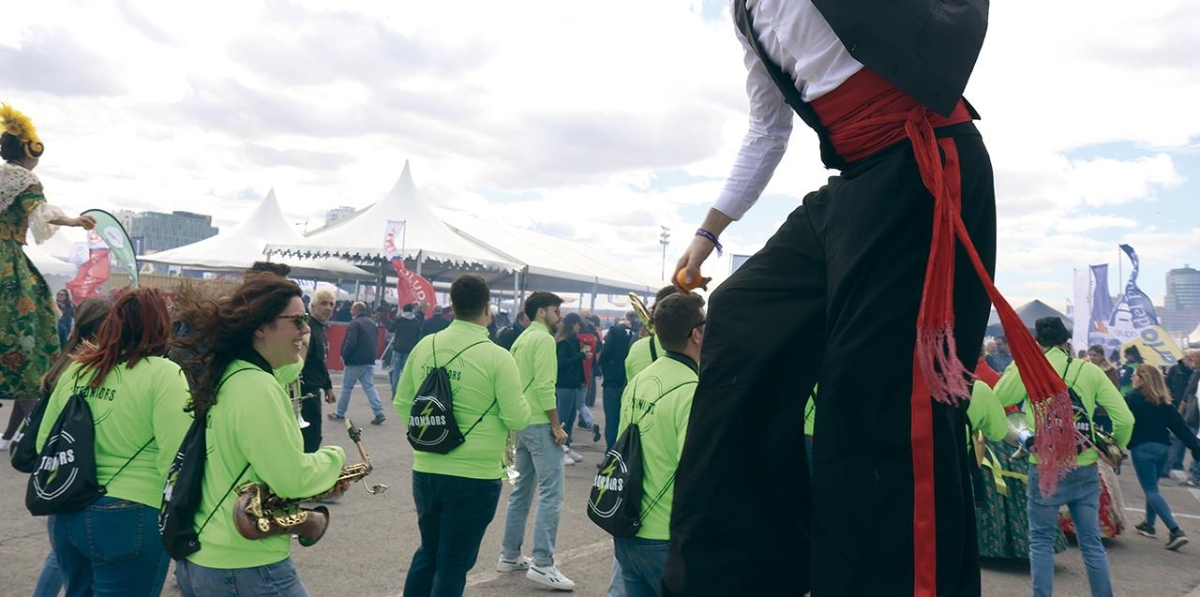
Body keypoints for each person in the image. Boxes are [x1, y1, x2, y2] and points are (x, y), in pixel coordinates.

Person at [661, 2, 1048, 594]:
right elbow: (769, 128)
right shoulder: (747, 15)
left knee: (881, 409)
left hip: (922, 164)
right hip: (856, 184)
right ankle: (746, 572)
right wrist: (708, 234)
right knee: (740, 317)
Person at [172, 275, 347, 597]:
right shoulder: (258, 387)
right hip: (245, 566)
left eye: (306, 320)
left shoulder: (232, 374)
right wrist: (334, 458)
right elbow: (291, 480)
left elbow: (289, 366)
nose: (306, 330)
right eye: (297, 321)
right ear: (261, 327)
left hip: (208, 556)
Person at [34, 288, 192, 596]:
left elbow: (45, 441)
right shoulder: (164, 374)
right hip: (130, 512)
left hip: (67, 510)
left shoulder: (79, 368)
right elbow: (176, 455)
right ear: (162, 326)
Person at [395, 275, 531, 597]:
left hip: (426, 468)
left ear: (452, 307)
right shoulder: (498, 356)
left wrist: (432, 436)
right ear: (488, 308)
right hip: (476, 474)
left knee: (428, 551)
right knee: (454, 564)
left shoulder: (425, 345)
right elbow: (517, 417)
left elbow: (403, 404)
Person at [994, 316, 1134, 597]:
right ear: (1065, 339)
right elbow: (1125, 418)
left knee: (1042, 540)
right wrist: (1114, 446)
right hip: (1084, 466)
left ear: (1038, 342)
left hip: (1044, 467)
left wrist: (1018, 364)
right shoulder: (1089, 371)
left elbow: (998, 396)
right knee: (1091, 542)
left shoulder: (1029, 367)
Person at [0, 103, 96, 451]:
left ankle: (15, 431)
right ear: (30, 151)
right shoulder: (23, 178)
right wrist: (73, 221)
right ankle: (39, 430)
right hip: (6, 260)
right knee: (31, 327)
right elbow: (39, 213)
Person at [608, 293, 705, 597]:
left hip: (628, 528)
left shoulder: (640, 379)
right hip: (665, 537)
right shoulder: (692, 391)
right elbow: (696, 472)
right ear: (697, 334)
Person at [29, 298, 111, 597]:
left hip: (58, 470)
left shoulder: (66, 361)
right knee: (61, 557)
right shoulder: (84, 367)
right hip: (73, 468)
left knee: (61, 554)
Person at [498, 291, 576, 591]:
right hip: (540, 423)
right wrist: (556, 425)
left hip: (520, 421)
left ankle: (510, 554)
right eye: (556, 311)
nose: (560, 317)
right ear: (542, 312)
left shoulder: (522, 338)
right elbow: (545, 386)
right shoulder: (543, 339)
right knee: (551, 493)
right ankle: (543, 563)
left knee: (522, 491)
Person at [1126, 364, 1200, 550]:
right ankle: (1149, 524)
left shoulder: (1132, 398)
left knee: (1150, 489)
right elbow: (1180, 428)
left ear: (1143, 379)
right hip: (1163, 449)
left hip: (1142, 448)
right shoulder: (1164, 402)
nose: (1132, 378)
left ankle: (1175, 531)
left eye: (1135, 375)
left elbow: (1123, 421)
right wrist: (1195, 448)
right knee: (1153, 488)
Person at [331, 301, 386, 425]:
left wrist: (344, 355)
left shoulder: (354, 323)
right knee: (370, 387)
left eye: (352, 309)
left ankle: (340, 413)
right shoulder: (372, 323)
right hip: (369, 361)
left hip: (354, 361)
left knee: (346, 387)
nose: (350, 311)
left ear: (356, 311)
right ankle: (379, 412)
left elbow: (351, 342)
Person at [299, 289, 337, 453]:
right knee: (311, 438)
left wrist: (328, 386)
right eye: (323, 303)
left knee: (313, 436)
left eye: (331, 304)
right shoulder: (308, 329)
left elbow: (321, 361)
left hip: (314, 388)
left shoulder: (320, 329)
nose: (328, 308)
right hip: (305, 390)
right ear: (313, 306)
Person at [598, 311, 637, 451]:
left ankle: (611, 453)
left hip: (613, 380)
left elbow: (605, 352)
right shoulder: (639, 333)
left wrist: (604, 367)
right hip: (632, 381)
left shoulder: (616, 331)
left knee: (612, 418)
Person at [555, 312, 590, 464]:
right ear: (572, 324)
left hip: (572, 384)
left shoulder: (570, 340)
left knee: (570, 418)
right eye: (577, 324)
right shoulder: (564, 342)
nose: (579, 327)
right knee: (563, 419)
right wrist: (581, 355)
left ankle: (566, 447)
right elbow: (562, 363)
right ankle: (558, 451)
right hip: (565, 384)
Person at [389, 303, 423, 397]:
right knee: (405, 372)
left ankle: (394, 392)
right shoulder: (416, 321)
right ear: (412, 310)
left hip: (398, 348)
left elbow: (391, 329)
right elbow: (418, 335)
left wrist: (396, 318)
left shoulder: (399, 320)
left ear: (403, 310)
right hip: (410, 349)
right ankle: (403, 393)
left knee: (396, 371)